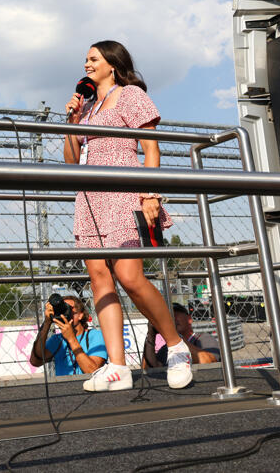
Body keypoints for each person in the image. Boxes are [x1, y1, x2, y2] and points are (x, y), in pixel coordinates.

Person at [63, 40, 190, 392]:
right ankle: (117, 367)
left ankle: (177, 346)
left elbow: (151, 147)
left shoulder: (131, 96)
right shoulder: (86, 106)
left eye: (93, 58)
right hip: (89, 199)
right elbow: (71, 161)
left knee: (131, 277)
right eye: (85, 58)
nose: (86, 64)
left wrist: (150, 192)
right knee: (100, 279)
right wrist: (72, 122)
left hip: (123, 194)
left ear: (112, 64)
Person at [28, 296, 107, 376]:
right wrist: (47, 323)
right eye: (61, 310)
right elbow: (35, 361)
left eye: (68, 309)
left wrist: (71, 339)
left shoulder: (95, 336)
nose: (65, 312)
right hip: (63, 387)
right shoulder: (57, 340)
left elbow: (92, 370)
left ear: (80, 315)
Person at [143, 303, 220, 368]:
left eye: (175, 314)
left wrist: (175, 335)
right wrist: (151, 335)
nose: (172, 319)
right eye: (168, 317)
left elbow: (210, 363)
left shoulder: (203, 338)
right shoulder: (166, 348)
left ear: (189, 319)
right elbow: (149, 369)